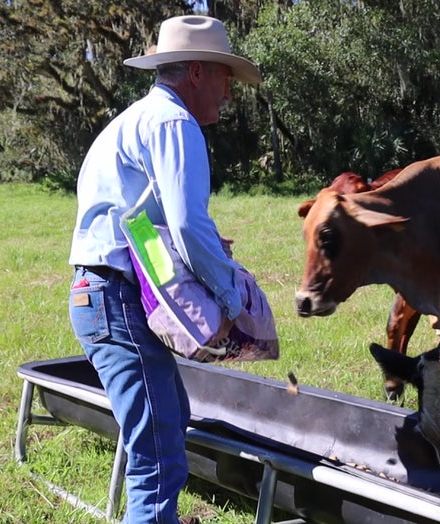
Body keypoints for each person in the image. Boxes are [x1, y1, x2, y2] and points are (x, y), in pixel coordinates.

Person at [67, 15, 260, 523]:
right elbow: (189, 224)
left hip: (104, 296)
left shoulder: (137, 119)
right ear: (196, 72)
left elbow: (137, 221)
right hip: (117, 300)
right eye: (225, 78)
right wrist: (231, 300)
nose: (229, 93)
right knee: (157, 461)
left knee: (169, 429)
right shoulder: (175, 123)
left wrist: (191, 240)